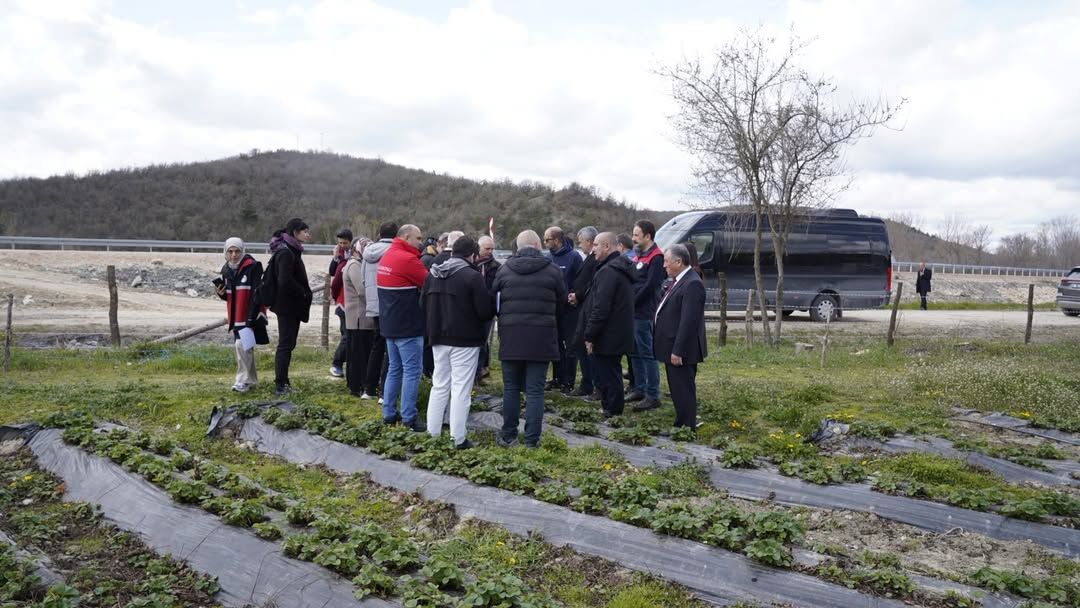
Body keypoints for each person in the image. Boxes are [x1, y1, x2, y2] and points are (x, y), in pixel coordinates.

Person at [493, 230, 566, 448]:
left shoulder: (504, 270)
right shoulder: (553, 271)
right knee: (535, 391)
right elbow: (562, 303)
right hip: (541, 338)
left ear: (517, 246)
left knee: (511, 388)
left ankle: (508, 435)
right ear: (537, 245)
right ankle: (532, 440)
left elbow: (494, 301)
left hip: (511, 337)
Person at [422, 236, 496, 449]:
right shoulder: (472, 277)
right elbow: (484, 311)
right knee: (461, 389)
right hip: (466, 340)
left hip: (437, 338)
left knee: (439, 385)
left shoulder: (432, 275)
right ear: (472, 255)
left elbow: (423, 304)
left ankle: (432, 433)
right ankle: (458, 438)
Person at [376, 224, 428, 430]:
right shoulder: (408, 259)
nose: (420, 242)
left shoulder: (387, 256)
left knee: (394, 369)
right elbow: (429, 282)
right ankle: (409, 417)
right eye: (418, 238)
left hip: (389, 324)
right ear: (406, 237)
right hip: (408, 325)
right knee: (412, 371)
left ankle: (388, 412)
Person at [653, 244, 707, 428]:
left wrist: (678, 350)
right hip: (672, 345)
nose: (664, 265)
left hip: (681, 349)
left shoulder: (692, 283)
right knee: (677, 389)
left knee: (683, 389)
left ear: (678, 261)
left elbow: (689, 322)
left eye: (667, 262)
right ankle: (681, 423)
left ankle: (686, 427)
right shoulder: (678, 280)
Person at [582, 232, 635, 417]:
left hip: (608, 333)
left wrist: (589, 335)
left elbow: (601, 308)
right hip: (616, 331)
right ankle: (610, 409)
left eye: (596, 245)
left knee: (608, 374)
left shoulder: (609, 272)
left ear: (607, 246)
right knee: (610, 372)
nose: (593, 249)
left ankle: (612, 412)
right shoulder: (615, 268)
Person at [216, 237, 268, 392]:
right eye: (230, 251)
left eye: (237, 251)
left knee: (241, 345)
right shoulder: (226, 269)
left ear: (242, 251)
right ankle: (250, 381)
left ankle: (242, 380)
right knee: (246, 347)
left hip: (250, 314)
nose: (233, 255)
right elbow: (230, 295)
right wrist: (222, 294)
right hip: (235, 315)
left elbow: (256, 294)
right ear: (225, 252)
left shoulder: (253, 267)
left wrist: (251, 318)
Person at [268, 218, 313, 396]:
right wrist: (302, 291)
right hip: (286, 306)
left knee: (289, 343)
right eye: (305, 231)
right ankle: (280, 383)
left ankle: (284, 380)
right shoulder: (286, 252)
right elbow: (284, 280)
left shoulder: (291, 249)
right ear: (295, 232)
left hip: (289, 305)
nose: (308, 234)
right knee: (285, 344)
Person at [628, 220, 665, 412]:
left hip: (644, 311)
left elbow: (650, 286)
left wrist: (631, 301)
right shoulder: (637, 256)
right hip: (632, 311)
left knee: (647, 353)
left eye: (636, 235)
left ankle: (653, 394)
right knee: (634, 351)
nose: (633, 238)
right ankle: (639, 388)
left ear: (648, 236)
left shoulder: (656, 257)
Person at [543, 226, 583, 392]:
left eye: (547, 240)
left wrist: (574, 295)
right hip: (552, 309)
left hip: (569, 310)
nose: (544, 243)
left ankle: (569, 381)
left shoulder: (574, 257)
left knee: (570, 346)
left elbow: (581, 281)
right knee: (555, 344)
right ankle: (557, 378)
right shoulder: (547, 258)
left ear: (557, 240)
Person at [360, 222, 397, 400]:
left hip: (373, 305)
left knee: (377, 346)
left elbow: (363, 280)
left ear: (379, 233)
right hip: (390, 305)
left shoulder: (367, 253)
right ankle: (385, 391)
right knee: (390, 348)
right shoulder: (394, 251)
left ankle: (368, 389)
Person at [568, 226, 599, 397]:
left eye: (581, 243)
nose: (580, 246)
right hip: (581, 306)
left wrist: (577, 295)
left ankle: (593, 384)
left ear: (589, 241)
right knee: (580, 347)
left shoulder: (595, 260)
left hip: (588, 307)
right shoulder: (589, 258)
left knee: (587, 348)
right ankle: (587, 383)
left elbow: (589, 284)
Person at [342, 237, 375, 397]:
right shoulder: (354, 265)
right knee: (358, 355)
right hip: (358, 318)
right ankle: (356, 385)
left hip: (360, 317)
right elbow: (361, 291)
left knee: (359, 353)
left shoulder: (358, 264)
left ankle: (356, 384)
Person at [475, 235, 501, 382]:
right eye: (487, 248)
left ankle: (480, 372)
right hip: (471, 310)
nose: (490, 251)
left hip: (487, 310)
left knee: (482, 341)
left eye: (492, 248)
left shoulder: (496, 267)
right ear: (479, 248)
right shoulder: (471, 265)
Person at [328, 228, 353, 378]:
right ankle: (337, 363)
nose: (342, 245)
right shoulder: (340, 255)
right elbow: (332, 273)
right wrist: (336, 257)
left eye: (345, 243)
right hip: (342, 301)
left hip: (348, 300)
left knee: (347, 334)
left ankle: (343, 363)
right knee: (346, 335)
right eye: (340, 243)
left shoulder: (356, 254)